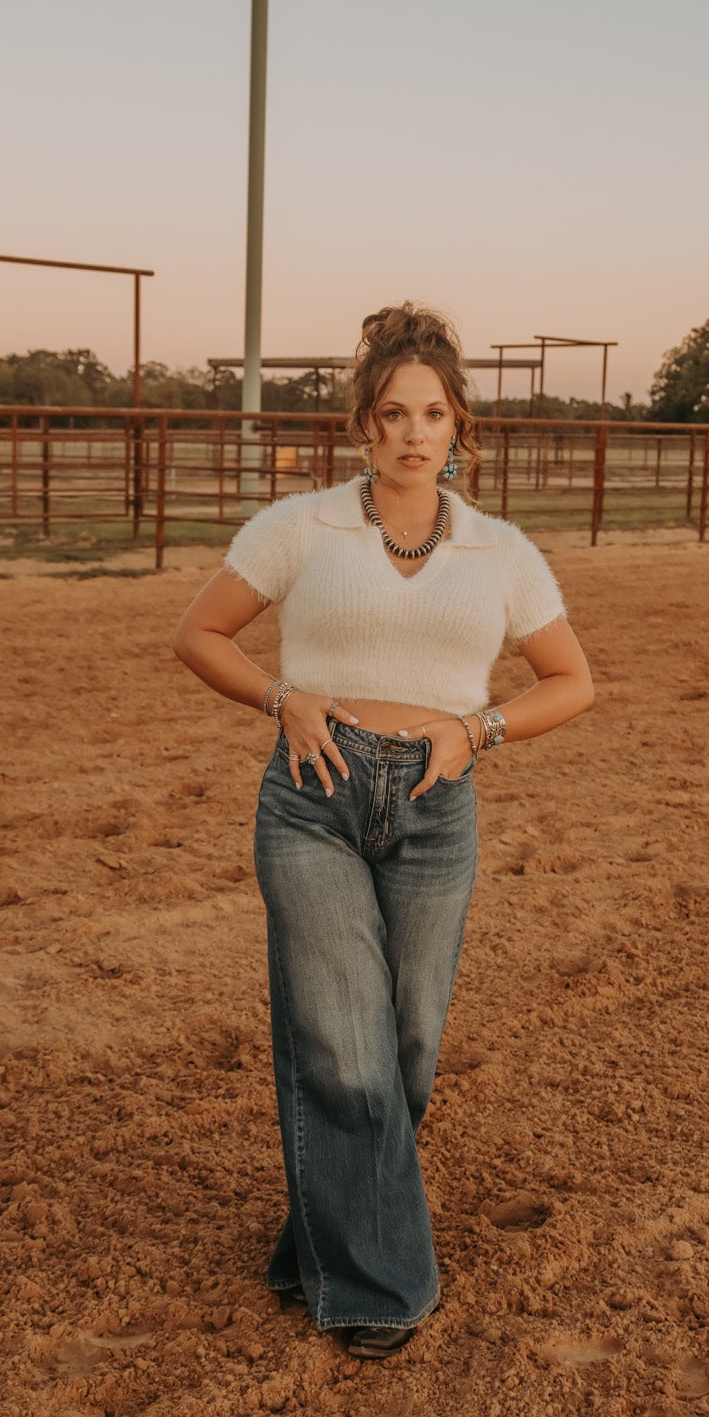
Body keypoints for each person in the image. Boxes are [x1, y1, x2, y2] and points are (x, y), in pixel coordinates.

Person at [172, 303, 593, 1358]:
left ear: (461, 430)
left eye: (435, 414)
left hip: (435, 804)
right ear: (363, 423)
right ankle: (380, 1290)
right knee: (343, 1042)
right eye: (395, 412)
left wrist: (478, 727)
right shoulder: (299, 527)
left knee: (404, 1048)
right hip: (311, 797)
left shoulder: (502, 552)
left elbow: (573, 681)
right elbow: (201, 634)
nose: (415, 432)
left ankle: (313, 1242)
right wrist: (285, 698)